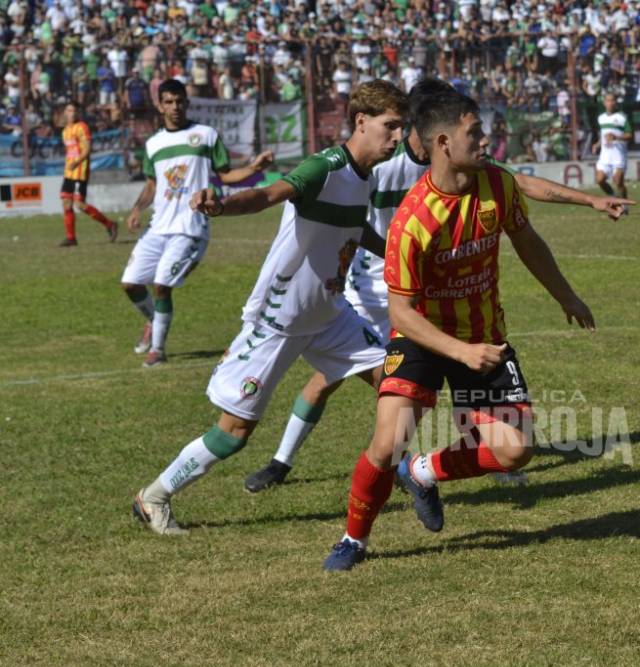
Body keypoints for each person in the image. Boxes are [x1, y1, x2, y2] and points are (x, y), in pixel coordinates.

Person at [242, 78, 634, 494]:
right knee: (333, 379)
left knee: (448, 373)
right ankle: (285, 461)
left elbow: (519, 182)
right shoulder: (382, 164)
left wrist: (589, 200)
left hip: (427, 295)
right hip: (372, 290)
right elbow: (342, 204)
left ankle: (457, 459)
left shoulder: (457, 161)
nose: (396, 133)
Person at [321, 86, 595, 572]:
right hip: (422, 338)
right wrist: (460, 352)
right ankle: (353, 539)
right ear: (444, 142)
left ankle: (422, 471)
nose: (486, 139)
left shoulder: (498, 184)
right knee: (386, 444)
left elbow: (526, 239)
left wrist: (566, 295)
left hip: (483, 335)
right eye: (476, 132)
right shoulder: (412, 221)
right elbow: (401, 314)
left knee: (515, 451)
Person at [131, 80, 409, 536]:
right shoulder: (324, 167)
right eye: (391, 126)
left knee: (397, 384)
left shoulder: (366, 175)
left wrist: (401, 253)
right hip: (280, 319)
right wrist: (220, 206)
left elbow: (355, 228)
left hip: (329, 315)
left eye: (402, 127)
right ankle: (154, 496)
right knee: (232, 434)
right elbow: (267, 195)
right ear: (362, 121)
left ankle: (406, 472)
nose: (398, 137)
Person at [120, 79, 274, 368]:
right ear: (160, 106)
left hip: (190, 228)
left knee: (162, 285)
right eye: (169, 102)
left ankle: (158, 350)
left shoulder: (205, 135)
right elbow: (152, 184)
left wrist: (254, 167)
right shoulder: (153, 144)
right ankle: (154, 321)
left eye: (179, 101)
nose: (175, 107)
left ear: (187, 103)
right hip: (158, 227)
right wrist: (137, 209)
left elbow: (225, 175)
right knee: (130, 284)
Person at [58, 102, 118, 247]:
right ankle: (71, 238)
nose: (71, 113)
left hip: (80, 172)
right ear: (65, 112)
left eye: (74, 111)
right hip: (69, 172)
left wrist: (76, 162)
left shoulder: (82, 127)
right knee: (66, 203)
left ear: (78, 113)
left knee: (80, 204)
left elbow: (87, 149)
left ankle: (110, 224)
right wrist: (69, 165)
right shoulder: (65, 131)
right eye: (69, 110)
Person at [591, 92, 632, 211]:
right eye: (608, 101)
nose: (610, 103)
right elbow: (603, 135)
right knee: (600, 180)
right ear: (604, 103)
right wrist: (597, 144)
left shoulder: (622, 117)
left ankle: (625, 204)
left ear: (616, 102)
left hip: (618, 155)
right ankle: (613, 196)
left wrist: (616, 137)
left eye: (613, 100)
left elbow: (629, 135)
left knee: (618, 182)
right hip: (605, 156)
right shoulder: (601, 118)